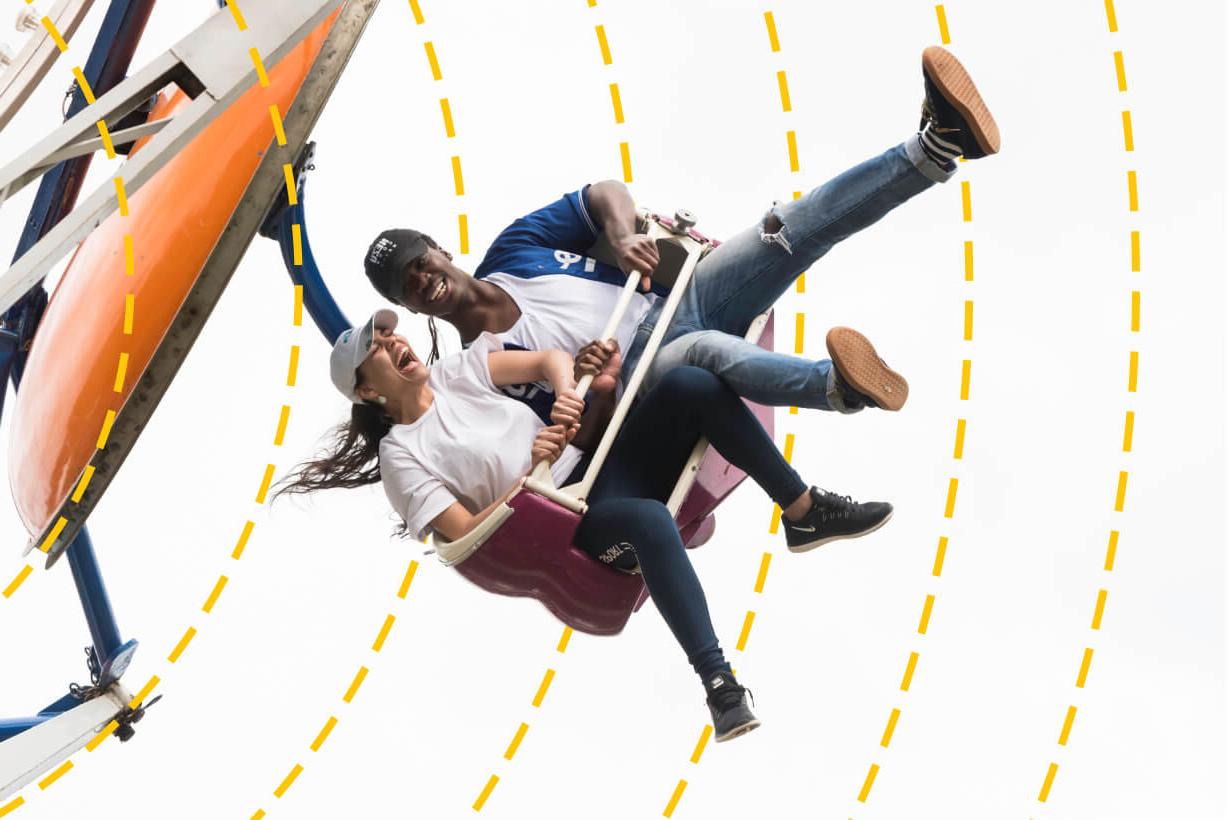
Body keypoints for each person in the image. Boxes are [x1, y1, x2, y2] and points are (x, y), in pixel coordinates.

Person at [279, 310, 895, 742]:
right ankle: (720, 683)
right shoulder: (402, 459)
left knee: (690, 383)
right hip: (572, 520)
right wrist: (531, 472)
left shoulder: (454, 373)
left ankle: (803, 510)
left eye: (389, 334)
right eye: (375, 349)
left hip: (599, 469)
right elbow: (464, 532)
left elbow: (546, 360)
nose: (391, 342)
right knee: (650, 522)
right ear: (366, 391)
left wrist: (565, 390)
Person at [359, 45, 998, 419]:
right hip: (640, 376)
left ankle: (933, 151)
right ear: (410, 306)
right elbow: (571, 427)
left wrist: (615, 236)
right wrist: (590, 382)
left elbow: (602, 193)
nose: (423, 280)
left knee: (785, 229)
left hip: (671, 305)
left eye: (420, 261)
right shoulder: (477, 367)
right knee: (703, 355)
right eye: (408, 285)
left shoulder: (513, 250)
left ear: (440, 250)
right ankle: (836, 387)